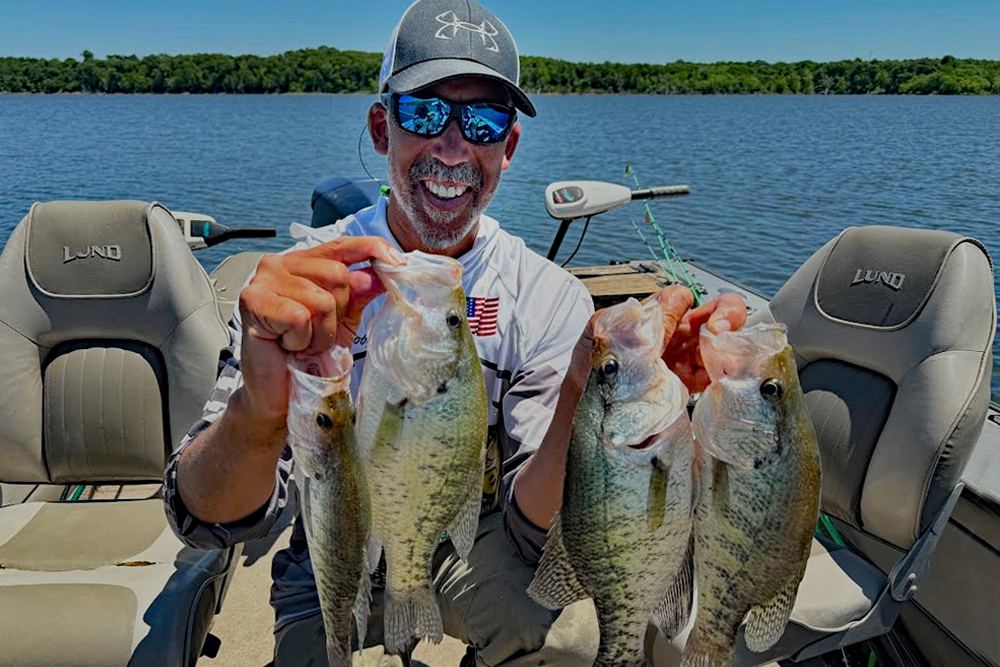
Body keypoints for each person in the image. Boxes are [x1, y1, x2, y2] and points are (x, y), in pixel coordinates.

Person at [163, 1, 747, 665]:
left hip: (462, 545)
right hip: (334, 539)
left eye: (483, 120)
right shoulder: (302, 287)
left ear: (509, 147)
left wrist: (590, 393)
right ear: (383, 128)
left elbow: (532, 532)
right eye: (425, 111)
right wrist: (259, 412)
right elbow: (204, 517)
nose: (452, 145)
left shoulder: (546, 297)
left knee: (576, 636)